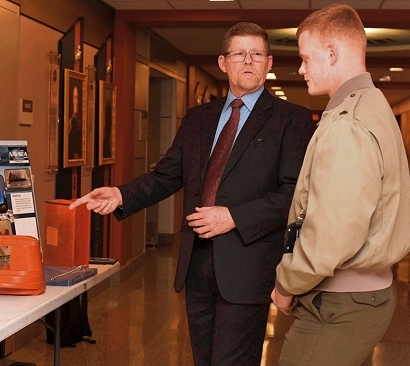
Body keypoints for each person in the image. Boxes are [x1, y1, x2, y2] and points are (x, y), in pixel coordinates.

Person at [71, 22, 314, 365]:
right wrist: (121, 194)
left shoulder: (292, 120)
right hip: (197, 263)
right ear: (222, 62)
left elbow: (294, 195)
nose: (248, 61)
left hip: (247, 267)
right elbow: (168, 175)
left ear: (269, 63)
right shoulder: (199, 118)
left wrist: (233, 216)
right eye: (239, 54)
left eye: (257, 54)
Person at [271, 4, 410, 366]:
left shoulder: (350, 122)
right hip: (362, 296)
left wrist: (286, 284)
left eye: (305, 57)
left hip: (339, 305)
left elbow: (332, 232)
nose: (300, 68)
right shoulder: (372, 104)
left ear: (332, 53)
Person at [68, 85, 82, 160]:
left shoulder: (81, 120)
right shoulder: (69, 120)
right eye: (75, 97)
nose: (76, 101)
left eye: (78, 98)